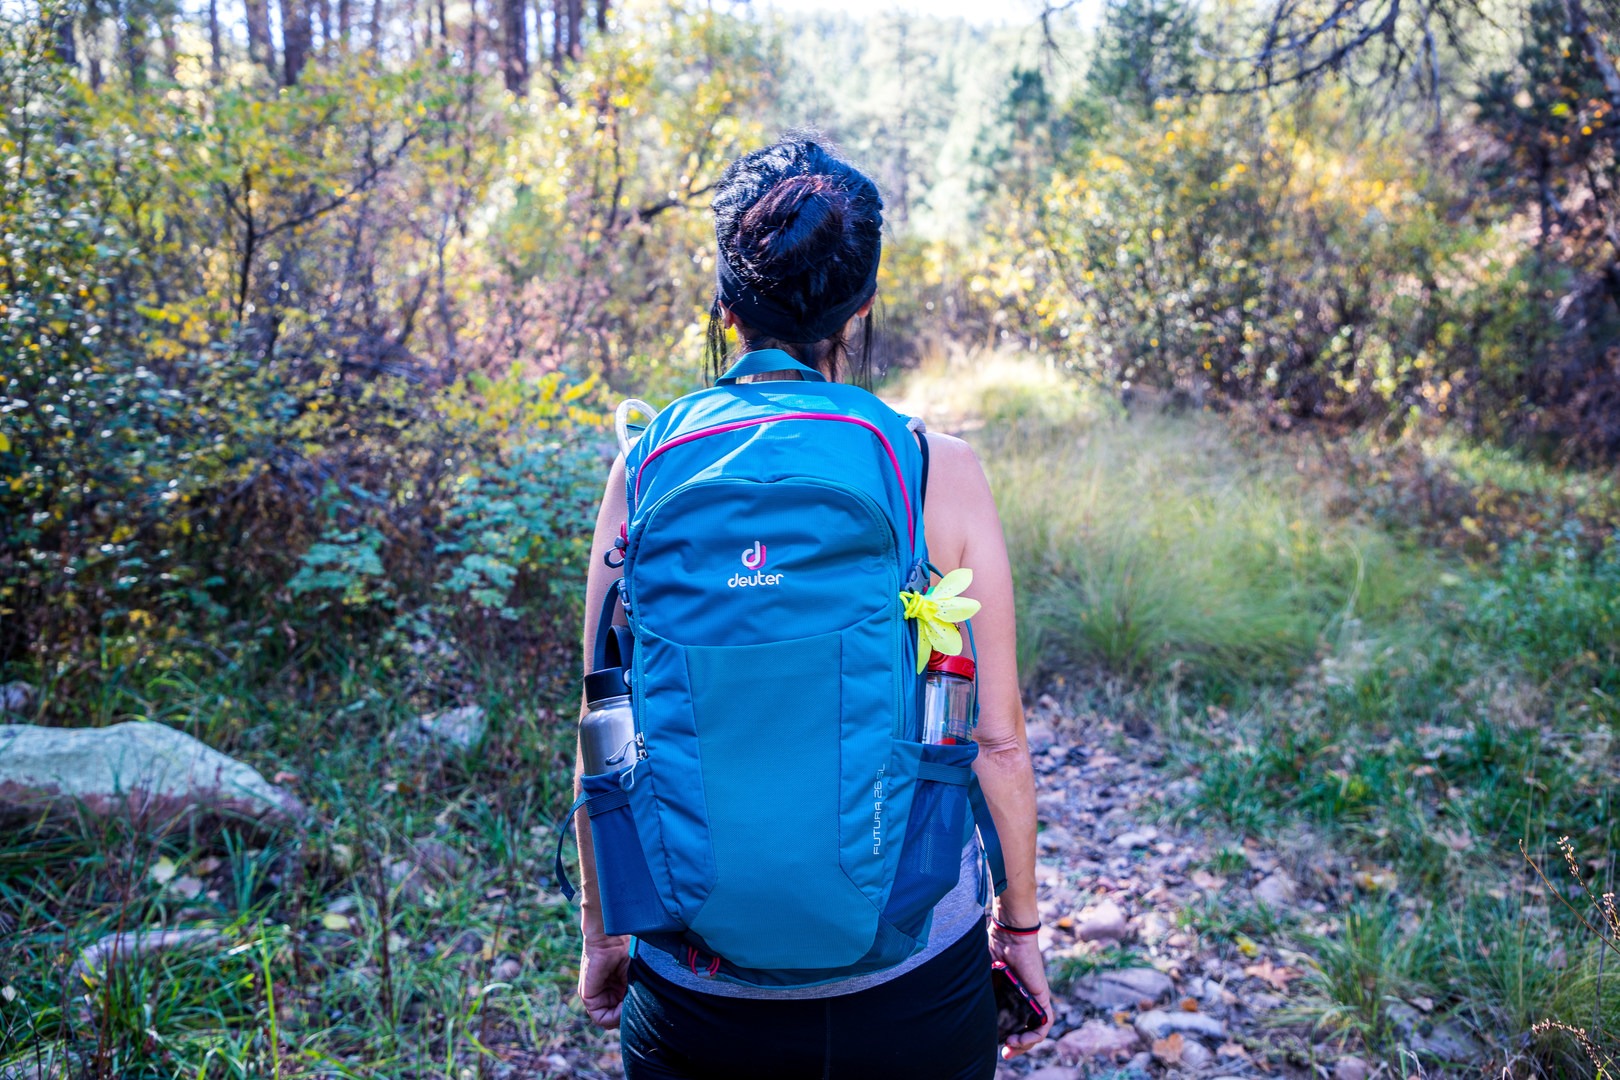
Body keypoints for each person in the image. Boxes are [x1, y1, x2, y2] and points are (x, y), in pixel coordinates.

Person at [572, 138, 1052, 1080]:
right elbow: (998, 741)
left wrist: (604, 936)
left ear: (724, 302)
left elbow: (601, 724)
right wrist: (1021, 928)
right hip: (911, 976)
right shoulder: (933, 467)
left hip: (695, 986)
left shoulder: (647, 467)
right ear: (862, 304)